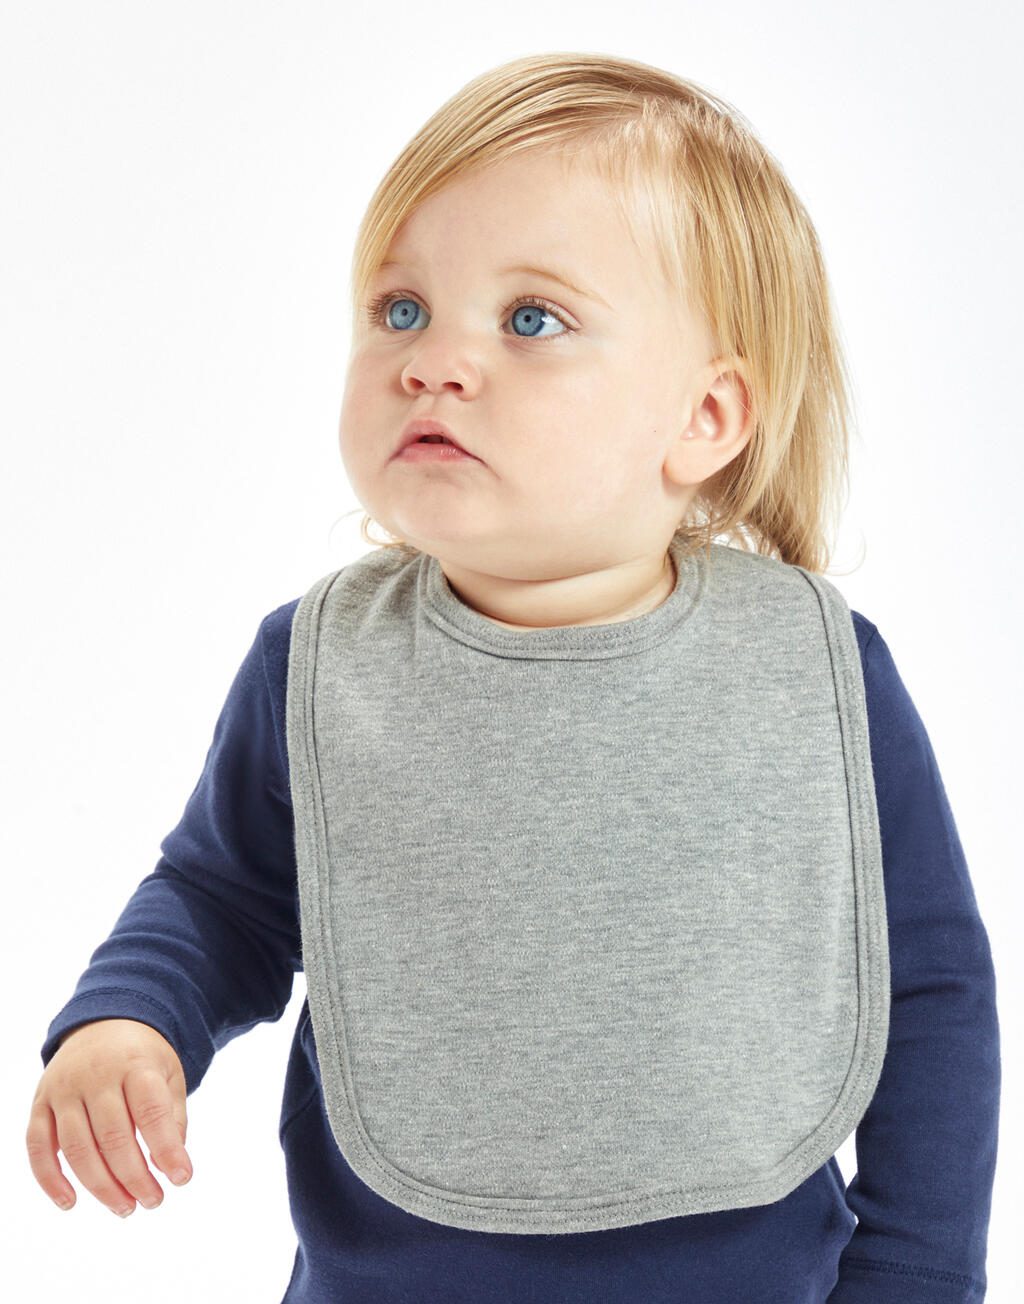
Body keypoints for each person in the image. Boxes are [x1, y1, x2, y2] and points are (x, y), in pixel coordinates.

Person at [26, 51, 999, 1304]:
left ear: (705, 417)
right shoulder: (319, 666)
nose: (433, 361)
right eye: (399, 310)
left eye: (530, 319)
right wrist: (130, 1016)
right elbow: (225, 899)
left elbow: (926, 986)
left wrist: (915, 1270)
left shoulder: (812, 672)